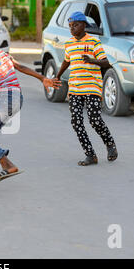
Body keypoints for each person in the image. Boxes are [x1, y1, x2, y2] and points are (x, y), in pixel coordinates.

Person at [0, 33, 61, 188]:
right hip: (17, 98)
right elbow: (20, 67)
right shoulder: (0, 53)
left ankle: (6, 164)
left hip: (5, 99)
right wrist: (42, 79)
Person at [55, 11, 118, 166]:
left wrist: (92, 60)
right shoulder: (69, 43)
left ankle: (110, 144)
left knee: (94, 119)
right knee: (76, 121)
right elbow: (66, 61)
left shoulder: (93, 42)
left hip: (92, 86)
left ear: (84, 25)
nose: (72, 28)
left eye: (75, 25)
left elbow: (106, 63)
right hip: (75, 87)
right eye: (70, 26)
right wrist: (57, 76)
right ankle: (90, 155)